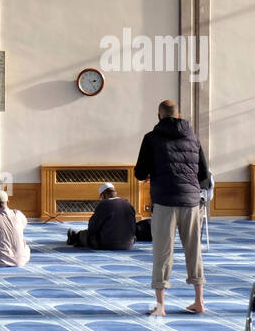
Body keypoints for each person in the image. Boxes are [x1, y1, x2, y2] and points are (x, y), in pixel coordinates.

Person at [134, 99, 208, 315]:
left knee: (162, 253)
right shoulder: (193, 139)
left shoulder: (151, 138)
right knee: (194, 251)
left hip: (165, 202)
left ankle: (160, 306)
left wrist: (152, 174)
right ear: (179, 115)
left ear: (159, 116)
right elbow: (203, 175)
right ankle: (199, 301)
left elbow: (140, 172)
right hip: (191, 203)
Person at [66, 182, 136, 251]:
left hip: (107, 244)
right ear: (115, 193)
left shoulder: (104, 204)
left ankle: (75, 237)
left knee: (85, 234)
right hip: (128, 244)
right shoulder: (128, 204)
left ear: (103, 195)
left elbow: (92, 227)